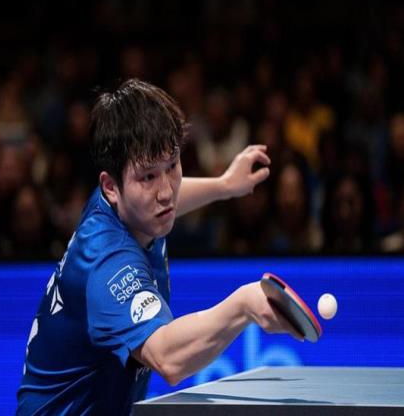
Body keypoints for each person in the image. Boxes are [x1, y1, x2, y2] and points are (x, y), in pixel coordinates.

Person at [16, 79, 301, 415]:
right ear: (111, 186)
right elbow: (168, 358)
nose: (166, 192)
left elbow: (168, 198)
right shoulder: (107, 263)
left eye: (172, 165)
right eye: (148, 177)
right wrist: (244, 305)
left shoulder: (129, 205)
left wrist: (224, 186)